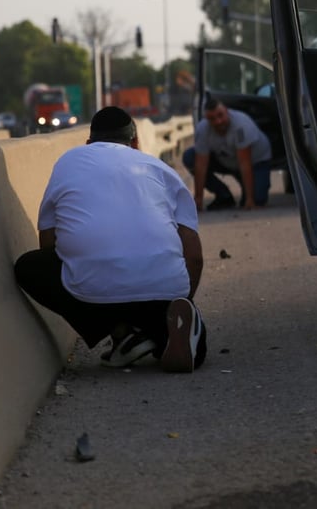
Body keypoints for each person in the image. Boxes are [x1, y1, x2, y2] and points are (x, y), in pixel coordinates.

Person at [13, 106, 207, 372]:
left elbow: (48, 243)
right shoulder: (161, 169)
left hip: (93, 293)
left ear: (89, 143)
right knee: (189, 339)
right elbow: (194, 257)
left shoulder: (68, 161)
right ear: (135, 143)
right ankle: (172, 328)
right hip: (160, 289)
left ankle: (121, 331)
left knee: (29, 266)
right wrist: (183, 299)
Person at [183, 97, 272, 211]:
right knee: (190, 157)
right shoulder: (203, 129)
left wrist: (250, 199)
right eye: (212, 118)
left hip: (255, 162)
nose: (218, 121)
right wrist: (198, 199)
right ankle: (223, 195)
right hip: (227, 160)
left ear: (227, 111)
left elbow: (245, 163)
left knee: (258, 199)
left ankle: (249, 192)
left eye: (220, 116)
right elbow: (201, 166)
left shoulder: (241, 126)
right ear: (206, 119)